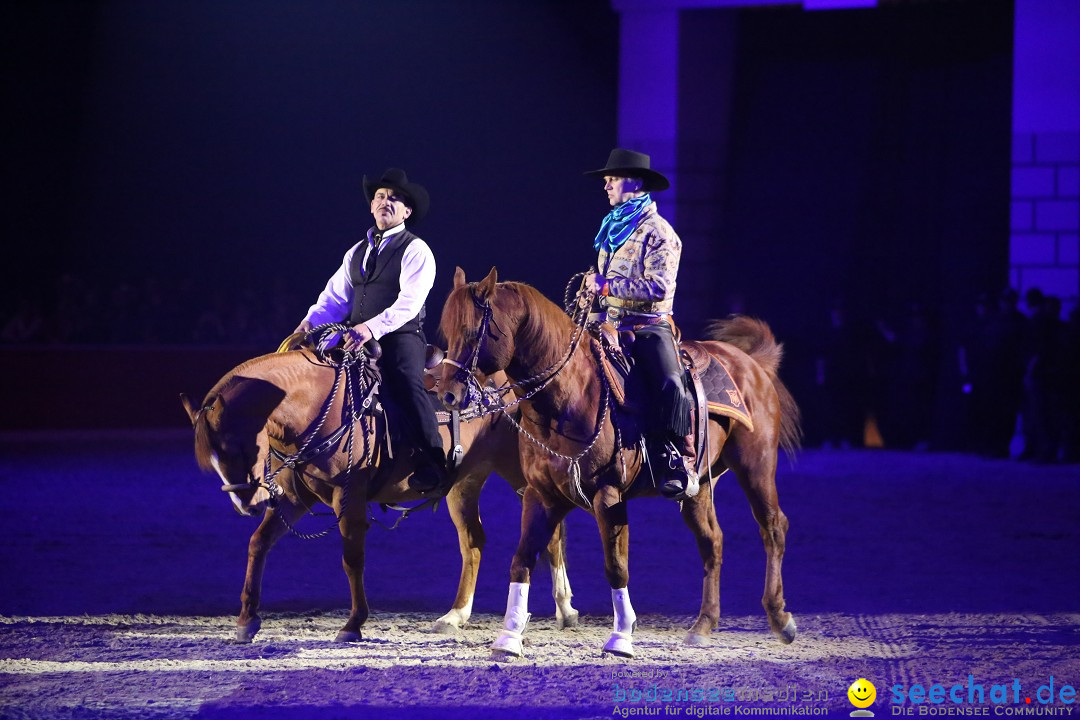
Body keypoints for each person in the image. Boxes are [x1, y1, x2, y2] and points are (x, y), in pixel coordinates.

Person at [294, 168, 447, 493]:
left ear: (407, 211)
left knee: (406, 383)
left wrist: (371, 327)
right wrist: (307, 325)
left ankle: (433, 462)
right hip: (354, 338)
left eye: (394, 198)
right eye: (379, 196)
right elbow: (333, 299)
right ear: (371, 207)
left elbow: (409, 302)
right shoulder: (356, 253)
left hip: (400, 337)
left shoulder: (416, 250)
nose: (385, 202)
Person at [581, 148, 697, 500]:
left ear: (634, 181)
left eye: (612, 179)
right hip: (608, 321)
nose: (606, 185)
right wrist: (592, 294)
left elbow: (660, 286)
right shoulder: (611, 229)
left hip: (649, 326)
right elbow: (603, 281)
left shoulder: (661, 233)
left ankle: (676, 457)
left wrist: (606, 285)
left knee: (670, 382)